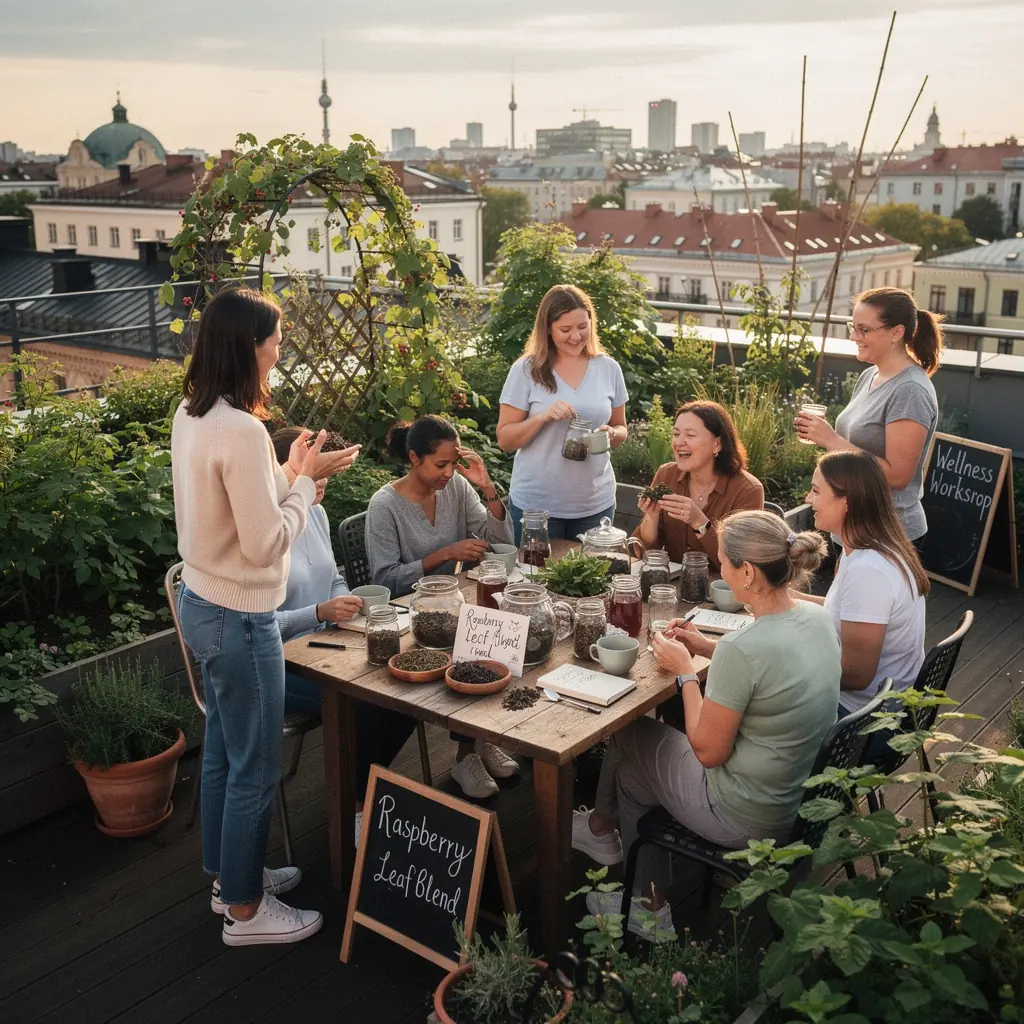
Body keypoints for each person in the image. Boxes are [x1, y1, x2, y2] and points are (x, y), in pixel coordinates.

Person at [172, 286, 359, 947]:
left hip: (202, 605)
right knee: (256, 767)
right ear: (248, 346)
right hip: (241, 616)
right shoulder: (243, 428)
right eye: (275, 339)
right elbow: (266, 542)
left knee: (224, 754)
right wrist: (307, 489)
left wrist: (292, 471)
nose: (280, 349)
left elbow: (237, 504)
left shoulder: (194, 414)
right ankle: (246, 915)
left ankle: (231, 879)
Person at [572, 510, 840, 939]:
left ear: (748, 572)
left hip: (744, 817)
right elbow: (767, 672)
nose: (720, 569)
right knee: (632, 775)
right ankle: (637, 883)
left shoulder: (743, 647)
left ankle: (633, 883)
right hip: (797, 801)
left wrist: (684, 671)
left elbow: (707, 750)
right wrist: (705, 646)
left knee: (627, 732)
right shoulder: (819, 619)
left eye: (722, 561)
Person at [270, 428, 418, 843]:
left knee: (400, 684)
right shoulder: (264, 528)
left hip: (327, 640)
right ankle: (355, 806)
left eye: (324, 479)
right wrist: (317, 612)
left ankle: (362, 788)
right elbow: (259, 625)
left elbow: (333, 577)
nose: (319, 488)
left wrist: (346, 603)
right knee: (369, 704)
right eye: (313, 478)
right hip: (278, 660)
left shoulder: (314, 513)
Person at [366, 414, 518, 799]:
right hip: (411, 618)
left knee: (497, 638)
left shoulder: (458, 489)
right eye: (441, 465)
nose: (449, 473)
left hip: (457, 605)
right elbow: (384, 580)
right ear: (414, 458)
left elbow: (499, 539)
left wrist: (487, 488)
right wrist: (443, 554)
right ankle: (466, 755)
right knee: (477, 644)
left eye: (454, 464)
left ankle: (476, 742)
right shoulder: (384, 506)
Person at [794, 287, 941, 544]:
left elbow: (898, 476)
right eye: (852, 327)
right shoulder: (870, 375)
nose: (854, 336)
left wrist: (831, 440)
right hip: (854, 527)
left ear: (897, 333)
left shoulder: (910, 391)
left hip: (887, 534)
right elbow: (856, 449)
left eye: (864, 329)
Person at [798, 450, 928, 716]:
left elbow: (856, 676)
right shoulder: (871, 548)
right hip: (879, 708)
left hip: (862, 722)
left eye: (815, 491)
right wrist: (781, 599)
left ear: (847, 502)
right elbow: (846, 610)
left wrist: (787, 667)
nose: (808, 498)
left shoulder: (868, 571)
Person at [496, 284, 628, 543]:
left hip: (595, 504)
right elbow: (505, 439)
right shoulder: (526, 370)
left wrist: (612, 433)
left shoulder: (608, 368)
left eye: (583, 326)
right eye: (565, 329)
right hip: (536, 507)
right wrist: (542, 417)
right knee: (535, 578)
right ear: (547, 328)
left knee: (592, 581)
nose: (576, 336)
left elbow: (621, 427)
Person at [633, 400, 763, 571]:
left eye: (690, 435)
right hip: (672, 586)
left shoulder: (748, 490)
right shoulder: (666, 474)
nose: (679, 442)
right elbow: (643, 551)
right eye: (676, 433)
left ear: (717, 444)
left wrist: (699, 522)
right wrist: (651, 517)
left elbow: (741, 564)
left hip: (724, 591)